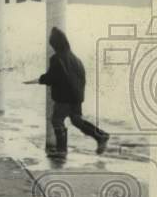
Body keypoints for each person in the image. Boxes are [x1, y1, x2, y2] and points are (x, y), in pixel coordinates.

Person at [29, 27, 110, 157]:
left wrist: (39, 80)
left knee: (57, 120)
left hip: (64, 97)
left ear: (55, 44)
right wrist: (78, 94)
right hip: (77, 96)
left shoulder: (56, 58)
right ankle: (101, 136)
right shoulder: (75, 58)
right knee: (76, 120)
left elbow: (52, 77)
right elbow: (80, 77)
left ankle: (61, 150)